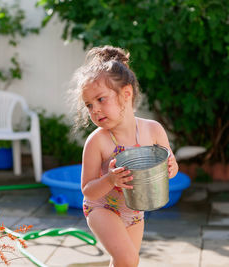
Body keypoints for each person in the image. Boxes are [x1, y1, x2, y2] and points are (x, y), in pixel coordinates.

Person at [70, 45, 178, 267]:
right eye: (89, 105)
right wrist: (110, 179)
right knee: (128, 259)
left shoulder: (153, 130)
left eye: (101, 99)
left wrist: (170, 169)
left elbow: (171, 167)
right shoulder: (97, 141)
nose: (95, 110)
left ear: (126, 94)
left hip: (134, 209)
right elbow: (87, 189)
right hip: (101, 207)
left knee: (125, 263)